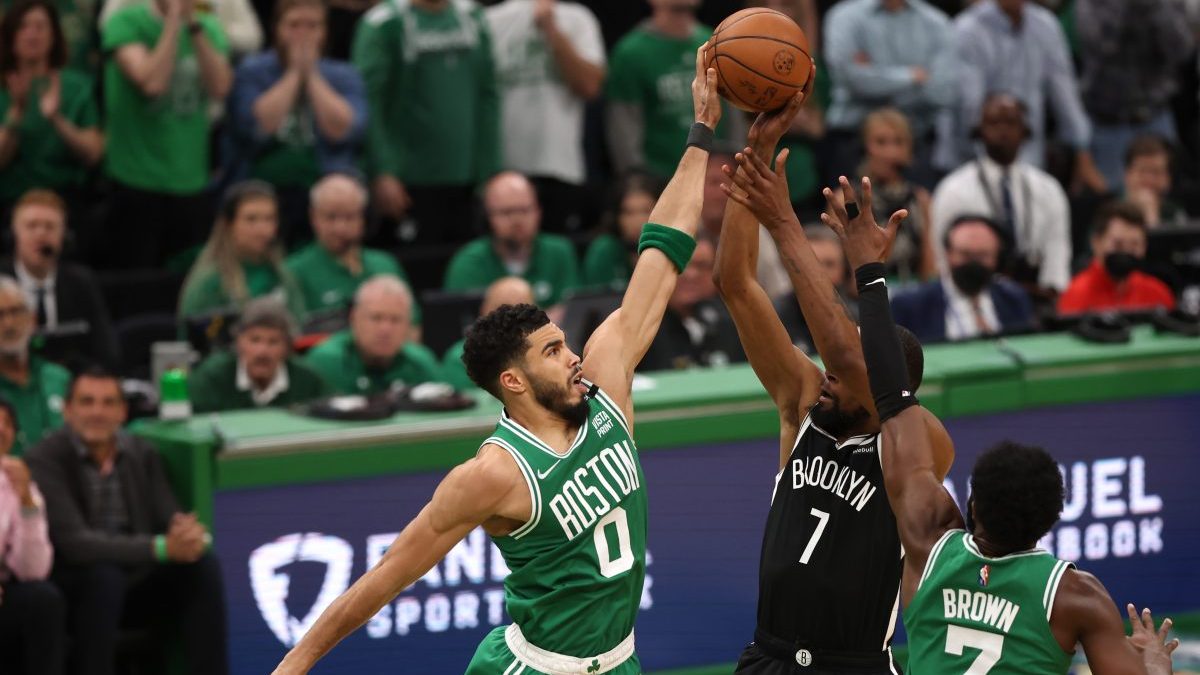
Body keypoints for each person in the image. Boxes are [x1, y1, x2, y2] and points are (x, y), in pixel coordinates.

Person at [271, 47, 720, 674]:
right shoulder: (494, 474)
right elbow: (389, 575)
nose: (574, 358)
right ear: (512, 381)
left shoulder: (607, 387)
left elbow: (662, 254)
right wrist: (296, 663)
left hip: (619, 663)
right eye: (554, 351)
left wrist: (701, 134)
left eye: (566, 344)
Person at [820, 185, 1179, 674]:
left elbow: (891, 393)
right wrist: (1156, 661)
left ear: (970, 503)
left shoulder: (928, 544)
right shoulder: (1076, 596)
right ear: (1050, 521)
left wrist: (869, 269)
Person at [717, 98, 954, 672]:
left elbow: (847, 353)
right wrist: (757, 159)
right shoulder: (805, 400)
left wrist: (784, 220)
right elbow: (736, 284)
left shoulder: (916, 447)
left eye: (845, 378)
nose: (827, 376)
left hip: (852, 663)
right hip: (767, 655)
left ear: (886, 394)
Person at [26, 368, 228, 675]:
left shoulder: (141, 452)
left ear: (122, 412)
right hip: (77, 580)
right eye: (87, 402)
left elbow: (167, 514)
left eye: (108, 403)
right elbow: (75, 544)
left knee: (202, 567)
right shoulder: (44, 459)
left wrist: (185, 533)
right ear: (68, 410)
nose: (98, 412)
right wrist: (160, 548)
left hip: (137, 576)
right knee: (105, 576)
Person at [352, 0, 500, 245]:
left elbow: (489, 95)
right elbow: (369, 102)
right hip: (407, 184)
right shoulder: (383, 23)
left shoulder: (473, 18)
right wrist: (382, 169)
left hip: (467, 180)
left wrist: (490, 171)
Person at [102, 0, 232, 269]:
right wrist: (173, 22)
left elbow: (221, 87)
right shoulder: (126, 22)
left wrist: (193, 26)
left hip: (189, 179)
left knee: (185, 278)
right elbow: (152, 83)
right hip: (136, 178)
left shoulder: (207, 27)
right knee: (136, 281)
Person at [225, 0, 367, 244]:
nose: (303, 34)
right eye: (293, 25)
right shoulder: (253, 71)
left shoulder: (344, 75)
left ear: (325, 31)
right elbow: (256, 127)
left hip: (325, 180)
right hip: (264, 184)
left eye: (312, 26)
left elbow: (343, 131)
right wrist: (293, 74)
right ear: (276, 29)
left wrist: (311, 74)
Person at [947, 0, 1106, 195]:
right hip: (974, 157)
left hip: (1030, 156)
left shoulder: (1046, 25)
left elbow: (1064, 93)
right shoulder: (968, 29)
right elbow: (970, 109)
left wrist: (1081, 148)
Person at [932, 94, 1072, 297]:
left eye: (1011, 122)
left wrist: (1052, 293)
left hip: (1037, 296)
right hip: (973, 295)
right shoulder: (953, 189)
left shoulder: (1048, 189)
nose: (1003, 130)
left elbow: (1057, 253)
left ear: (1025, 131)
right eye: (994, 122)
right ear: (979, 131)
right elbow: (942, 258)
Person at [486, 0, 605, 233]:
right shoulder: (489, 21)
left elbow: (590, 87)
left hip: (560, 167)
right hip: (503, 168)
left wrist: (551, 30)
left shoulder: (578, 18)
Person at [822, 0, 956, 186]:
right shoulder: (845, 17)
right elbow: (851, 79)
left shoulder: (937, 23)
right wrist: (912, 77)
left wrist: (874, 75)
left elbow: (942, 91)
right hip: (853, 141)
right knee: (842, 210)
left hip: (916, 143)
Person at [606, 0, 745, 178]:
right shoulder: (630, 53)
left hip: (714, 179)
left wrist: (737, 169)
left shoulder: (715, 43)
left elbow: (734, 116)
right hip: (660, 180)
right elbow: (624, 131)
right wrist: (638, 183)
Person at [0, 0, 104, 217]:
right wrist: (16, 114)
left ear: (54, 34)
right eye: (22, 26)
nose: (32, 34)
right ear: (10, 36)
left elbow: (93, 154)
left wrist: (57, 119)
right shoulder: (3, 88)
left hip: (66, 200)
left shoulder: (77, 87)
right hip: (11, 202)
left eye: (40, 27)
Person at [1075, 0, 1193, 189]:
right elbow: (1101, 45)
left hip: (1156, 117)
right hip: (1108, 124)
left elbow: (1181, 50)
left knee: (1165, 198)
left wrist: (1154, 7)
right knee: (1115, 204)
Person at [0, 190, 119, 369]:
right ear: (13, 233)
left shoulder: (80, 282)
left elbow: (106, 352)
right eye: (31, 226)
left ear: (64, 235)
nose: (41, 234)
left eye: (50, 226)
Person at [286, 174, 420, 324]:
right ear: (313, 217)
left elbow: (412, 324)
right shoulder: (293, 272)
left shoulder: (385, 265)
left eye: (349, 217)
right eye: (331, 217)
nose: (340, 227)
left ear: (362, 218)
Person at [444, 171, 580, 316]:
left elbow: (574, 310)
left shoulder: (559, 251)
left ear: (539, 211)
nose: (517, 220)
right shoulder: (468, 262)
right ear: (487, 216)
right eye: (506, 212)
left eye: (525, 210)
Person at [891, 215, 1035, 343]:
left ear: (996, 257)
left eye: (982, 255)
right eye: (965, 254)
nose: (973, 263)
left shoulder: (1014, 299)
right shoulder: (911, 306)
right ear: (948, 253)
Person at [0, 396, 65, 675]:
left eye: (6, 424)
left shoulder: (17, 485)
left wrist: (26, 500)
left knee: (42, 597)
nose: (0, 430)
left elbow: (34, 570)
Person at [178, 180, 306, 321]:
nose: (262, 230)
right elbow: (199, 337)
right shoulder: (210, 282)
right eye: (251, 219)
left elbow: (299, 328)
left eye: (270, 219)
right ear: (228, 224)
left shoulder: (283, 276)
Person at [304, 275, 441, 395]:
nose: (385, 329)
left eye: (396, 319)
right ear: (354, 319)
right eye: (376, 318)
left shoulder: (421, 363)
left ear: (408, 326)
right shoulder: (326, 362)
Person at [188, 297, 328, 413]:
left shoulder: (307, 380)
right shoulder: (212, 377)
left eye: (273, 342)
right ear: (238, 342)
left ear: (287, 347)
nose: (262, 351)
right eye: (254, 340)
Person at [638, 237, 744, 371]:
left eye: (701, 266)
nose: (690, 274)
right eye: (681, 265)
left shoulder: (735, 322)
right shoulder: (640, 327)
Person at [1057, 201, 1176, 315]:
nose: (1126, 251)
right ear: (1096, 242)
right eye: (1118, 244)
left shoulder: (1157, 294)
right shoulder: (1075, 295)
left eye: (1135, 245)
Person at [858, 108, 934, 281]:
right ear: (865, 146)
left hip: (913, 292)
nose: (890, 152)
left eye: (898, 142)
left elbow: (930, 266)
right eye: (881, 142)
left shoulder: (921, 199)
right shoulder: (848, 197)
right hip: (863, 294)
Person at [0, 275, 67, 454]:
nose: (8, 324)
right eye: (0, 315)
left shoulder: (58, 377)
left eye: (16, 312)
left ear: (33, 319)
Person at [773, 225, 857, 354]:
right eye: (812, 264)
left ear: (844, 271)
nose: (820, 273)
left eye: (829, 264)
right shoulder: (774, 317)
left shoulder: (859, 316)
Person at [441, 276, 535, 391]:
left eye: (521, 311)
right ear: (483, 311)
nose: (509, 318)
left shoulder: (547, 354)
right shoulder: (460, 358)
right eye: (500, 309)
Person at [582, 171, 662, 291]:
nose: (638, 221)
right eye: (629, 212)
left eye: (646, 211)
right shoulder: (605, 249)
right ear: (616, 216)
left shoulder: (670, 247)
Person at [101, 0, 263, 59]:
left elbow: (253, 38)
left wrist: (210, 29)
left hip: (205, 110)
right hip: (143, 101)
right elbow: (106, 24)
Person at [1122, 135, 1189, 230]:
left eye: (1156, 172)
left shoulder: (1174, 212)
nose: (1149, 180)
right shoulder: (1107, 210)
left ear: (1168, 179)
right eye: (1142, 171)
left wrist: (1152, 218)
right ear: (1127, 175)